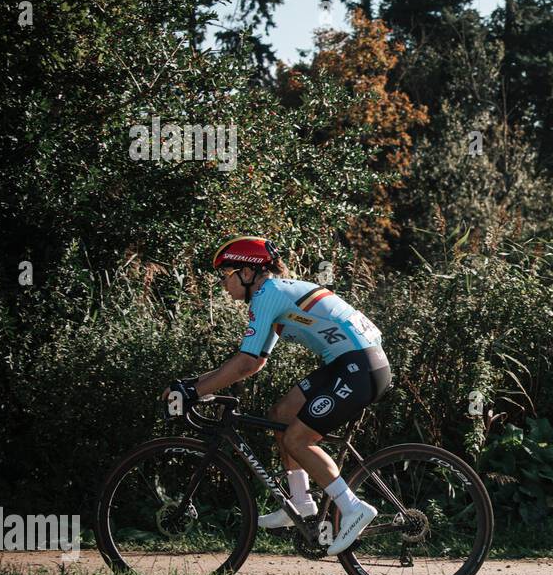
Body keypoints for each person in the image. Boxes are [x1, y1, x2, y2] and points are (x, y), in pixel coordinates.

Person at [162, 236, 391, 556]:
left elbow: (244, 364)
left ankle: (353, 508)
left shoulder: (267, 295)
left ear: (247, 272)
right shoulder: (276, 292)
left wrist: (193, 390)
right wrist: (194, 384)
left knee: (298, 440)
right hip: (349, 362)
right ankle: (301, 502)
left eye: (225, 274)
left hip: (358, 366)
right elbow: (254, 361)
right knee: (281, 414)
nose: (222, 284)